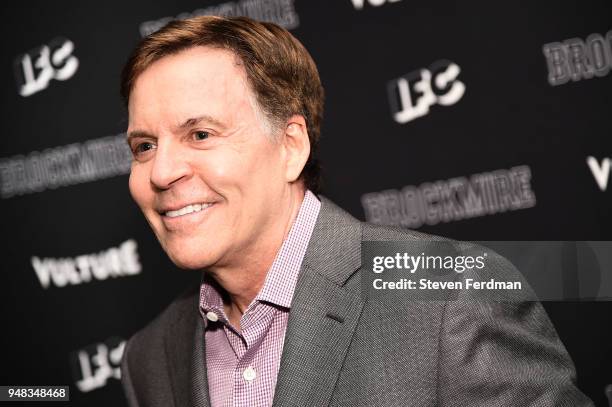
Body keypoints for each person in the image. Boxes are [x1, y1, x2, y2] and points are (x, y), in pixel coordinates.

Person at [119, 15, 593, 407]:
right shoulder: (148, 357)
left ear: (290, 147)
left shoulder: (448, 296)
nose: (160, 172)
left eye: (200, 135)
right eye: (143, 146)